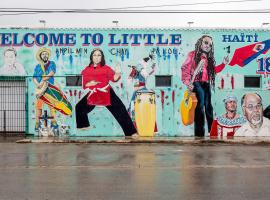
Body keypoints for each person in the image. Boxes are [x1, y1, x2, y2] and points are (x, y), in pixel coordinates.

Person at [75, 48, 138, 138]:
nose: (97, 57)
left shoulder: (106, 68)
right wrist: (90, 83)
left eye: (99, 55)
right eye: (95, 55)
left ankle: (131, 133)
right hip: (94, 92)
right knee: (79, 107)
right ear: (91, 57)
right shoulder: (87, 70)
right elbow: (82, 82)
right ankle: (83, 125)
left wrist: (118, 72)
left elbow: (115, 78)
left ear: (102, 57)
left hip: (107, 92)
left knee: (121, 110)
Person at [181, 35, 229, 137]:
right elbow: (185, 69)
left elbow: (213, 71)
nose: (208, 46)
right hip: (196, 83)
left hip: (205, 83)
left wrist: (223, 64)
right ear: (200, 43)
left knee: (208, 106)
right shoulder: (192, 55)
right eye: (206, 43)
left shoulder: (208, 58)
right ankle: (199, 133)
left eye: (210, 45)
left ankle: (211, 132)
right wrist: (187, 82)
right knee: (200, 104)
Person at [33, 47, 58, 131]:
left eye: (46, 54)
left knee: (52, 105)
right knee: (38, 106)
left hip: (49, 88)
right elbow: (34, 77)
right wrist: (38, 84)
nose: (45, 55)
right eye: (43, 54)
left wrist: (43, 80)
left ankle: (54, 121)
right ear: (40, 56)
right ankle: (37, 122)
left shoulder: (52, 64)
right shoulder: (37, 66)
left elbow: (51, 73)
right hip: (40, 89)